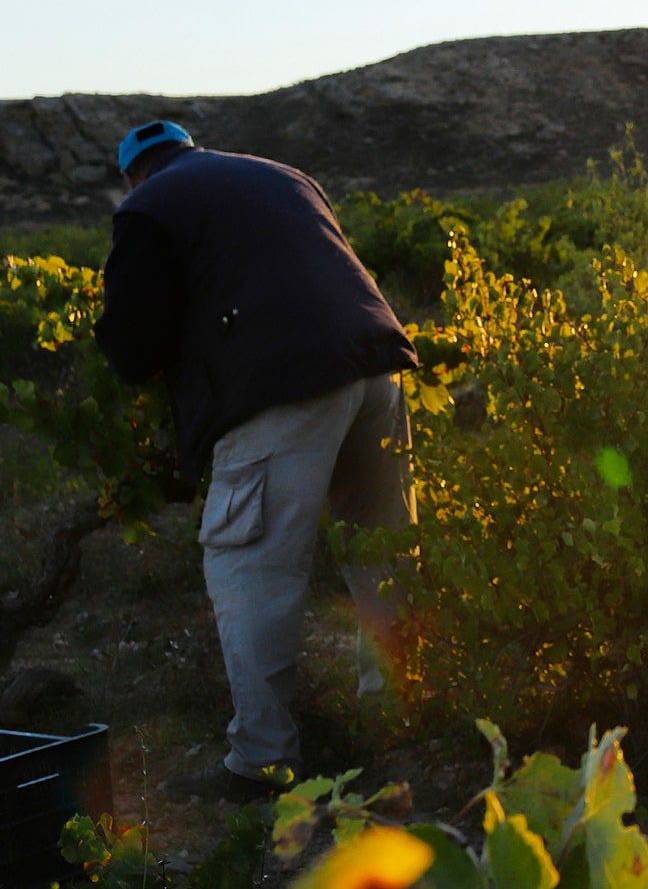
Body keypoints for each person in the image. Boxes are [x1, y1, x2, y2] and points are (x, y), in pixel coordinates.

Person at [94, 121, 418, 802]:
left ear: (132, 174)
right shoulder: (282, 174)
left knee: (250, 568)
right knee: (382, 550)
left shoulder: (149, 206)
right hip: (375, 367)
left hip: (282, 386)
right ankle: (398, 720)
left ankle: (261, 763)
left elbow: (130, 347)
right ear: (189, 147)